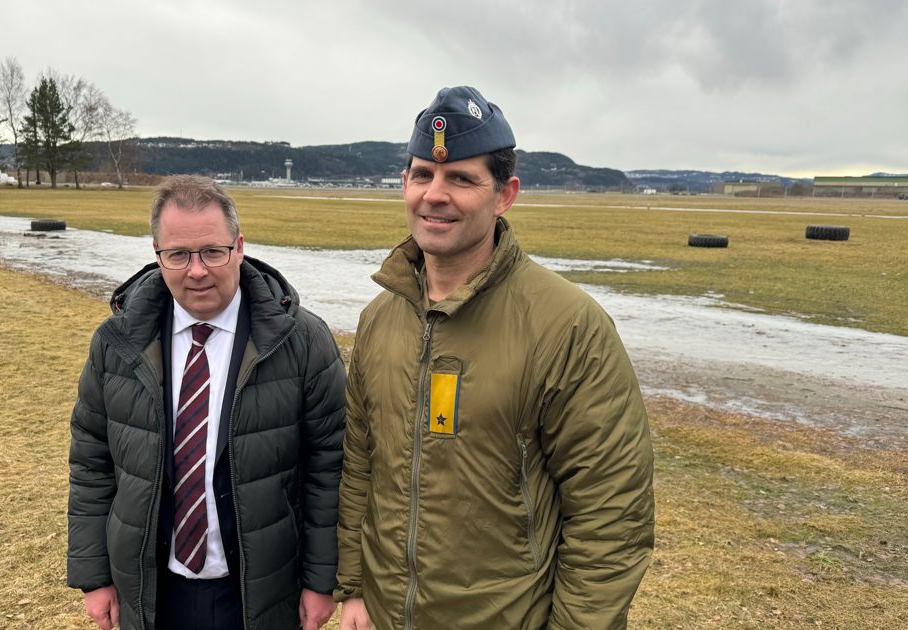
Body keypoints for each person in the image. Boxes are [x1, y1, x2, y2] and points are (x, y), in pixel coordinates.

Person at [335, 86, 655, 629]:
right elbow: (362, 466)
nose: (435, 195)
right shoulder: (380, 318)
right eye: (422, 175)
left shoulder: (568, 326)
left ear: (504, 195)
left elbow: (612, 513)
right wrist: (356, 588)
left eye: (461, 179)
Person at [68, 175, 345, 630]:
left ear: (238, 248)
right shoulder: (115, 344)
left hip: (262, 592)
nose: (196, 270)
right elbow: (91, 463)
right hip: (152, 592)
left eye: (212, 252)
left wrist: (321, 580)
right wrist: (94, 576)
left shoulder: (304, 342)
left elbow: (329, 468)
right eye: (178, 255)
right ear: (157, 255)